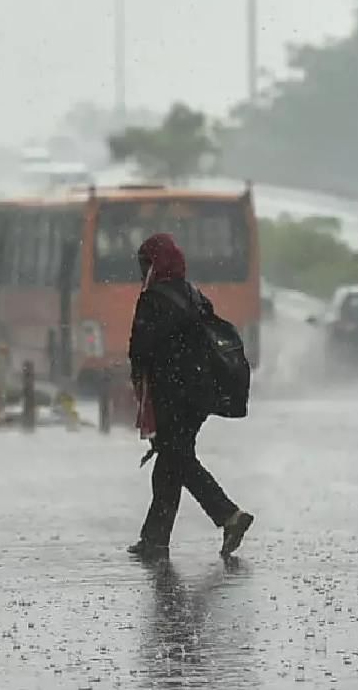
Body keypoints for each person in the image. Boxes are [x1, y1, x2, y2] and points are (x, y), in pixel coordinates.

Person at [127, 233, 254, 559]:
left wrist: (139, 385)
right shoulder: (194, 296)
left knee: (178, 460)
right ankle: (154, 539)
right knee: (170, 462)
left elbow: (140, 349)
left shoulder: (152, 299)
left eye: (145, 265)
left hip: (171, 394)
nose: (142, 272)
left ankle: (228, 515)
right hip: (199, 396)